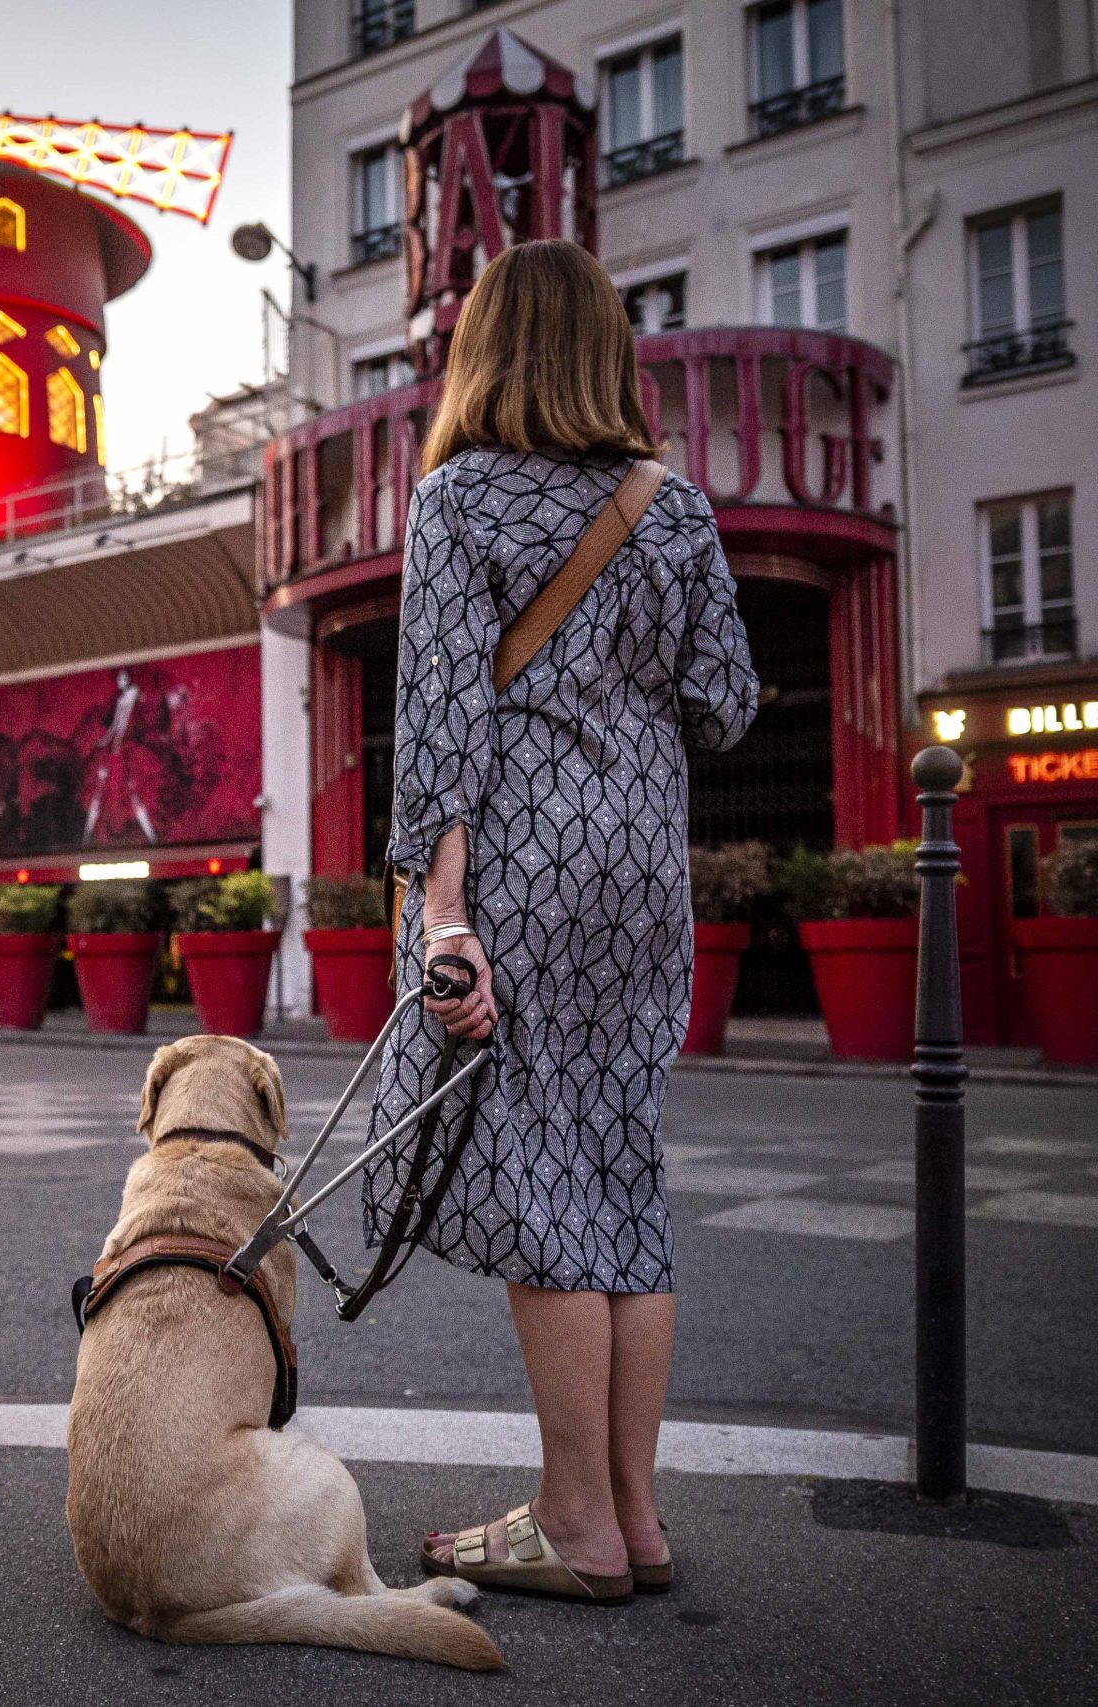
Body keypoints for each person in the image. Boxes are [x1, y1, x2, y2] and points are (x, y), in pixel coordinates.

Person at [367, 240, 758, 1603]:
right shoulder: (679, 507)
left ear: (487, 349)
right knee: (619, 1164)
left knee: (538, 1175)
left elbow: (438, 723)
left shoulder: (460, 499)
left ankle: (574, 1518)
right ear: (608, 349)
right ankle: (636, 1515)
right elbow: (729, 701)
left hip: (521, 856)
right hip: (644, 861)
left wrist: (443, 911)